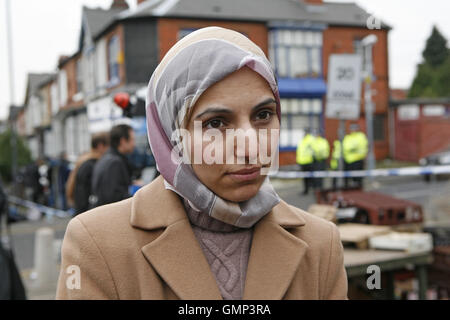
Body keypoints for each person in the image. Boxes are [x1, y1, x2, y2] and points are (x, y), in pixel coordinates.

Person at [56, 27, 347, 300]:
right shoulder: (97, 245)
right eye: (216, 122)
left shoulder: (321, 244)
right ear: (172, 135)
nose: (251, 145)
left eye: (263, 115)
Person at [89, 124, 135, 208]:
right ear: (123, 141)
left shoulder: (106, 157)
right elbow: (115, 198)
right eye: (132, 140)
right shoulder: (115, 163)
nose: (134, 144)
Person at [68, 133, 109, 215]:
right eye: (108, 146)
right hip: (87, 213)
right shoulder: (92, 164)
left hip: (80, 210)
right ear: (100, 146)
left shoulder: (83, 161)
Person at [343, 124, 368, 188]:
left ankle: (359, 190)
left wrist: (352, 149)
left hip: (357, 160)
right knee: (347, 179)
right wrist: (353, 148)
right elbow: (345, 147)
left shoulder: (361, 136)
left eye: (354, 129)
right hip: (348, 160)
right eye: (352, 129)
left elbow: (362, 147)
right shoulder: (347, 137)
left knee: (358, 178)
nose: (353, 130)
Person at [296, 130, 315, 195]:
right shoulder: (302, 140)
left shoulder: (310, 139)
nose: (304, 133)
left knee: (310, 177)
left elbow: (314, 149)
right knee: (305, 178)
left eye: (305, 132)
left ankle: (311, 190)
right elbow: (299, 151)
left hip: (309, 161)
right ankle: (306, 190)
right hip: (302, 162)